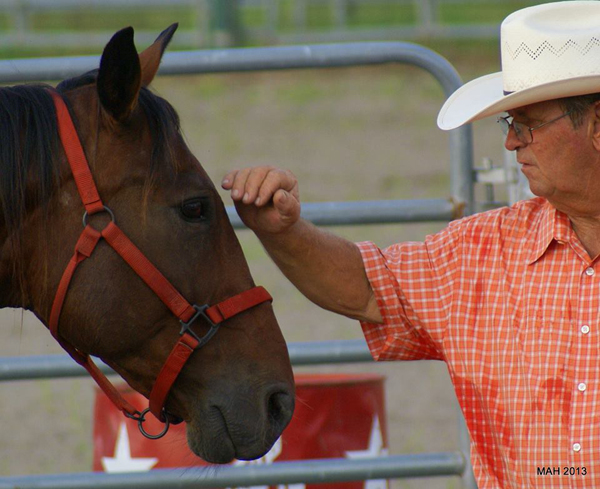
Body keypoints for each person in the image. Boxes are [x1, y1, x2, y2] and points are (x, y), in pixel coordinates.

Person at [221, 2, 600, 487]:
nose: (511, 143)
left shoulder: (487, 254)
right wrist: (283, 232)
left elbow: (366, 288)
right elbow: (362, 286)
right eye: (509, 123)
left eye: (528, 122)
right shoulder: (482, 253)